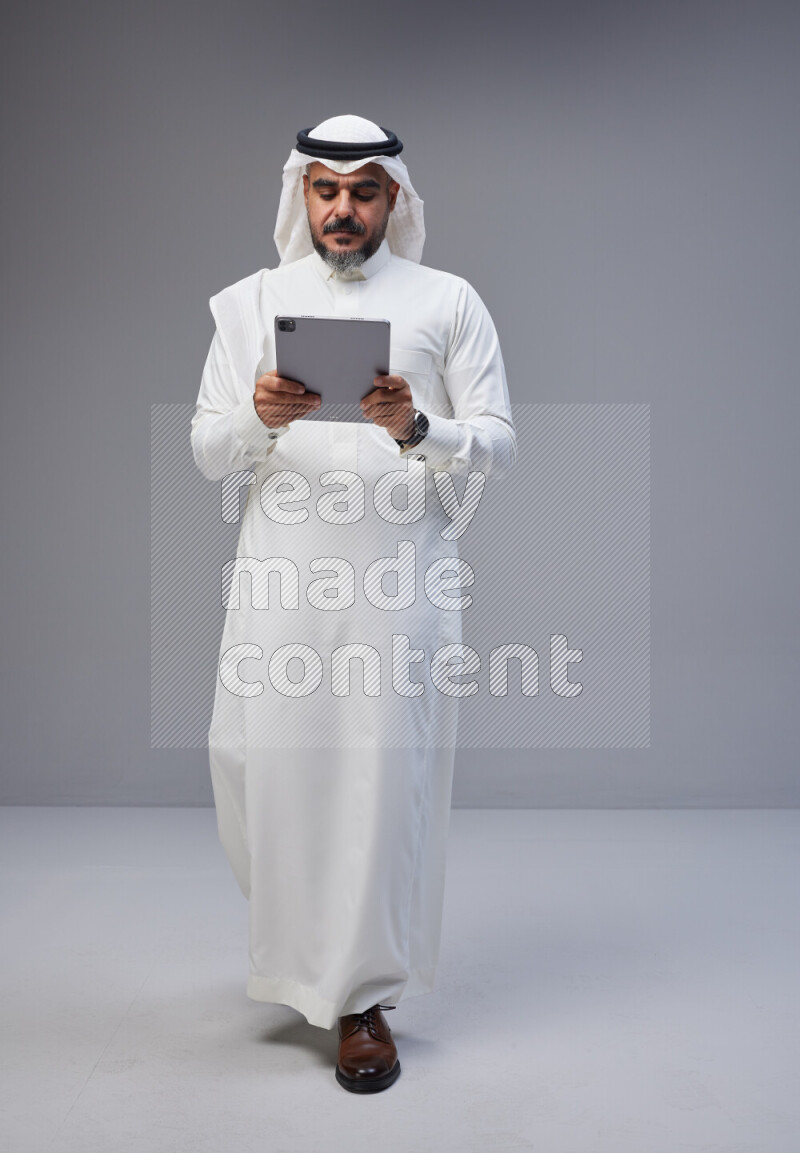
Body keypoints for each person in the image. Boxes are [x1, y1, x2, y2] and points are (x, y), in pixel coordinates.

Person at [190, 114, 516, 1093]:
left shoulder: (447, 300)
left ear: (394, 200)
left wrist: (418, 426)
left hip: (394, 579)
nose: (342, 207)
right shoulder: (251, 302)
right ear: (301, 194)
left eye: (363, 189)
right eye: (325, 189)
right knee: (258, 766)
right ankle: (303, 957)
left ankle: (361, 998)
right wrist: (259, 413)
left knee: (378, 779)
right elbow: (207, 448)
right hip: (281, 578)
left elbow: (499, 441)